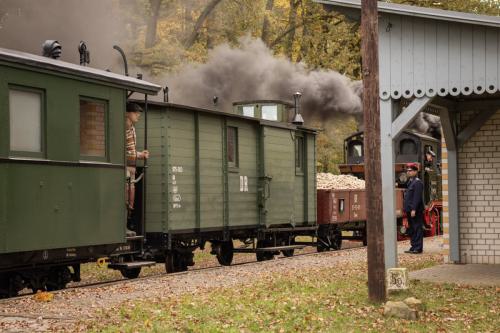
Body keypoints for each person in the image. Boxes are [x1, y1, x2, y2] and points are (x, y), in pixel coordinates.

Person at [125, 103, 149, 236]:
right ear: (127, 113)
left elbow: (130, 150)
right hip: (125, 168)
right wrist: (137, 155)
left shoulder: (132, 128)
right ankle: (123, 227)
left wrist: (140, 155)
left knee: (130, 200)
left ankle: (126, 225)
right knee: (125, 199)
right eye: (136, 113)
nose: (138, 116)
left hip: (131, 168)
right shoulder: (123, 127)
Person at [403, 162, 424, 254]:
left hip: (415, 210)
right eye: (407, 171)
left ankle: (418, 247)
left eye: (410, 171)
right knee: (412, 228)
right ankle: (413, 246)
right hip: (409, 210)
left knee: (417, 227)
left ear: (415, 171)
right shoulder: (411, 182)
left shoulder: (417, 183)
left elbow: (416, 197)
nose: (408, 172)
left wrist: (414, 209)